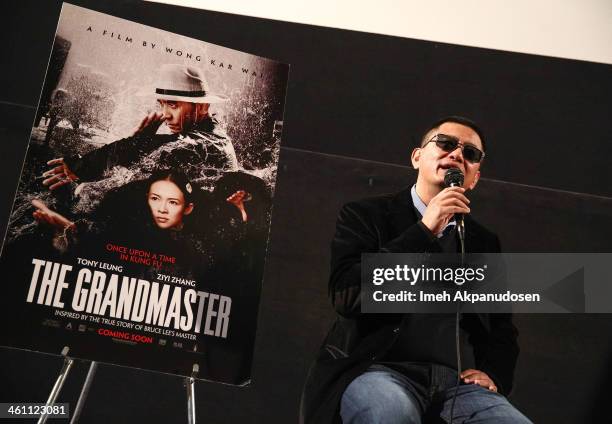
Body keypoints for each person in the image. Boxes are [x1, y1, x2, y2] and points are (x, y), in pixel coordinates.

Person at [300, 116, 532, 424]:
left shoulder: (482, 242)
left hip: (455, 386)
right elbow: (348, 295)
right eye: (446, 144)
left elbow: (501, 326)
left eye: (470, 154)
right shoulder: (366, 216)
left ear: (474, 177)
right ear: (417, 157)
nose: (457, 155)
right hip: (378, 372)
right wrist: (424, 231)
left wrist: (495, 376)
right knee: (390, 413)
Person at [41, 63, 238, 192]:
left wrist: (83, 166)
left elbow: (166, 152)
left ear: (203, 106)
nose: (165, 114)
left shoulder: (200, 144)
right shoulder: (213, 134)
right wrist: (139, 143)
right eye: (161, 104)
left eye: (173, 104)